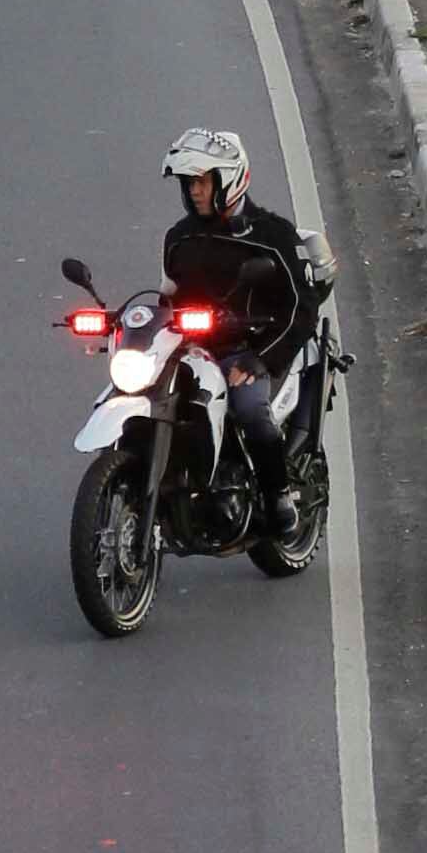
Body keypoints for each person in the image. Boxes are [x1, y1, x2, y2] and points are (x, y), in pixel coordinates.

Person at [159, 119, 321, 541]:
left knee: (249, 409)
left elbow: (301, 309)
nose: (193, 190)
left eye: (202, 181)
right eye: (188, 182)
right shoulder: (179, 237)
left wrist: (259, 358)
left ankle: (278, 495)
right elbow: (169, 297)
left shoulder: (272, 236)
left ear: (228, 180)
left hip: (250, 348)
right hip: (195, 350)